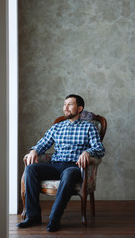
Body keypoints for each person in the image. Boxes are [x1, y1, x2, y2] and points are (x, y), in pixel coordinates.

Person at [17, 94, 105, 232]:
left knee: (69, 173)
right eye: (64, 104)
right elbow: (43, 143)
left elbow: (100, 149)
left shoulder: (89, 128)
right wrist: (34, 150)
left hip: (74, 167)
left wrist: (87, 152)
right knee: (31, 169)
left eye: (70, 104)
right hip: (55, 165)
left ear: (80, 108)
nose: (65, 107)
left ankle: (54, 219)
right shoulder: (57, 127)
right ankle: (33, 216)